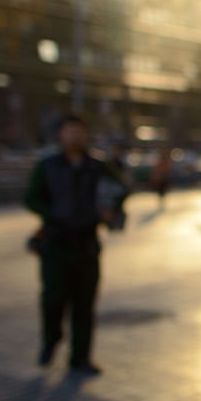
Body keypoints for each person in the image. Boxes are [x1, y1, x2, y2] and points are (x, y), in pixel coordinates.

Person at [24, 114, 121, 376]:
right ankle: (51, 340)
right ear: (60, 135)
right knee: (53, 298)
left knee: (85, 304)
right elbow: (31, 198)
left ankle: (80, 357)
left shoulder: (97, 167)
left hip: (86, 243)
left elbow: (119, 190)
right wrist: (53, 214)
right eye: (70, 131)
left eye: (80, 131)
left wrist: (111, 213)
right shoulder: (48, 166)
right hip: (55, 243)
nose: (75, 136)